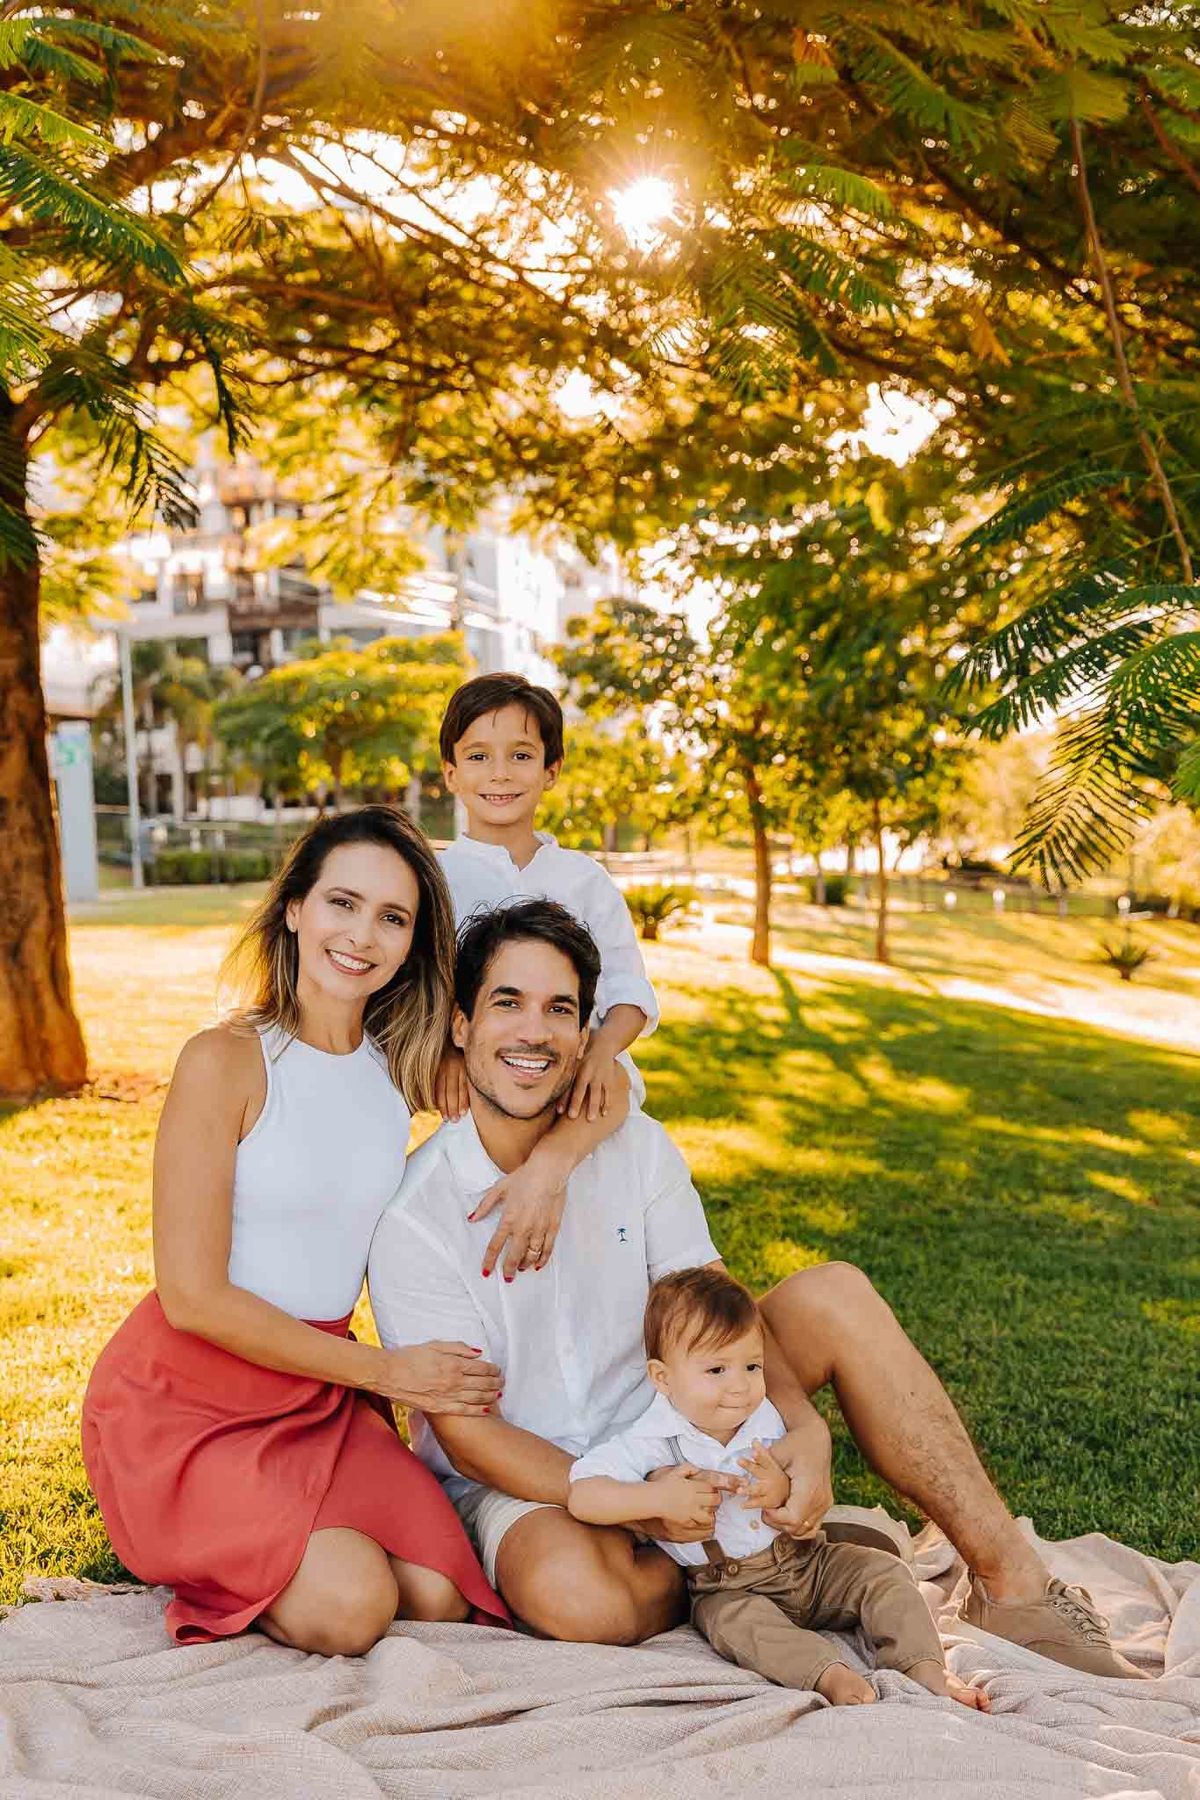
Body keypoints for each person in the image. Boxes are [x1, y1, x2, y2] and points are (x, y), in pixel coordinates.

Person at [369, 899, 1137, 1679]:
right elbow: (470, 1436)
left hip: (687, 1411)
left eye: (559, 1009)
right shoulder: (415, 1216)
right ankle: (764, 1568)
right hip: (539, 1480)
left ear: (583, 1033)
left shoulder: (633, 1146)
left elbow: (714, 1297)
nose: (534, 1032)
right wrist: (637, 1500)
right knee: (579, 1599)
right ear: (461, 1025)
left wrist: (803, 1432)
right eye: (508, 1003)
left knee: (837, 1296)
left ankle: (1014, 1587)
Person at [82, 807, 507, 1651]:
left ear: (413, 942)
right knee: (353, 1609)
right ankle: (213, 1547)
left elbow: (556, 1077)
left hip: (317, 1392)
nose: (362, 936)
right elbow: (192, 1297)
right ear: (294, 909)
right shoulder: (225, 1061)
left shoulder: (405, 1067)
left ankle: (273, 1544)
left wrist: (559, 1158)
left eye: (392, 917)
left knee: (437, 1594)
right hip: (195, 1394)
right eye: (342, 903)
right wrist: (388, 1373)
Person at [569, 1266, 988, 1709]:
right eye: (716, 1369)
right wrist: (657, 1499)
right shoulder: (651, 1441)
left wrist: (781, 1487)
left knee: (884, 1574)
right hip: (728, 1587)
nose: (739, 1386)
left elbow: (798, 1479)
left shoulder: (766, 1416)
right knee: (739, 1628)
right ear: (663, 1378)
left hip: (807, 1561)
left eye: (752, 1366)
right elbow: (583, 1494)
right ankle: (828, 1674)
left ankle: (925, 1667)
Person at [432, 674, 653, 1278]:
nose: (500, 774)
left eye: (521, 756)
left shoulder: (584, 879)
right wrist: (445, 1055)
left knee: (595, 1253)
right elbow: (426, 994)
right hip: (486, 1098)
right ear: (450, 773)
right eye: (479, 757)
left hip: (583, 1099)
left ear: (551, 771)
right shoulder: (437, 882)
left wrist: (601, 1053)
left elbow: (630, 992)